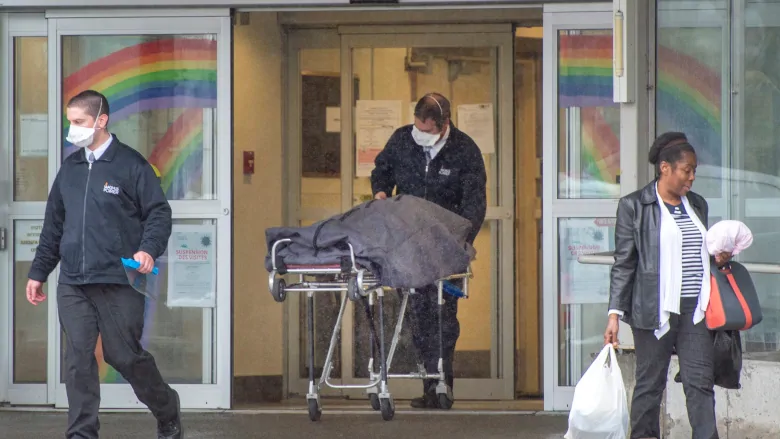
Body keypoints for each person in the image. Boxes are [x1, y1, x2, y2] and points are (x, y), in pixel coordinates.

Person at [26, 90, 182, 439]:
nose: (73, 128)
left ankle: (166, 408)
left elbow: (159, 213)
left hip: (118, 280)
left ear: (101, 121)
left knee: (123, 356)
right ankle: (82, 433)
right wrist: (39, 272)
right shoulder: (71, 168)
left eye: (79, 122)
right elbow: (54, 225)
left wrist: (148, 249)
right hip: (74, 282)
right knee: (79, 360)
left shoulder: (131, 165)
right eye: (70, 121)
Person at [604, 132, 730, 439]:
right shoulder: (634, 206)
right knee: (650, 384)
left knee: (699, 382)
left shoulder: (697, 204)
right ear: (665, 168)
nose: (692, 177)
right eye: (686, 170)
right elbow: (624, 262)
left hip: (695, 310)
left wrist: (720, 256)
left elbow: (700, 252)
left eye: (694, 171)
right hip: (653, 309)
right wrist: (614, 315)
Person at [371, 93, 487, 409]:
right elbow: (382, 169)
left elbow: (474, 202)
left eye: (427, 129)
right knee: (416, 316)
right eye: (418, 127)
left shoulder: (464, 151)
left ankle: (443, 384)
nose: (420, 134)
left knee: (444, 315)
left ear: (444, 123)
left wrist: (462, 240)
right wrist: (380, 190)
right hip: (408, 246)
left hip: (445, 248)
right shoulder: (402, 140)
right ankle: (427, 385)